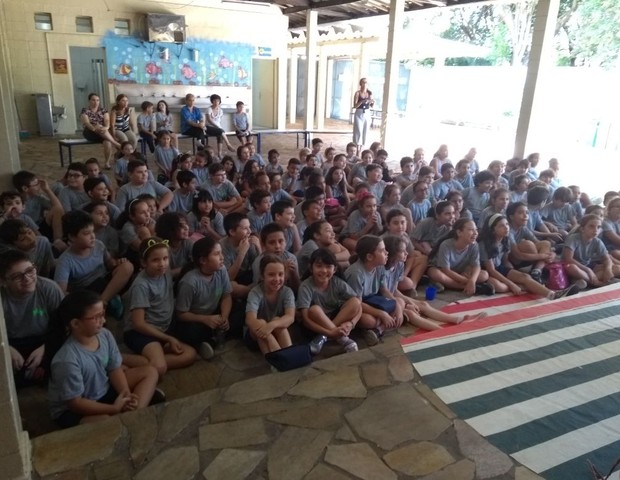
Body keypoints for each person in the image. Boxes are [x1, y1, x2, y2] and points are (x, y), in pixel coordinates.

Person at [46, 290, 159, 428]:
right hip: (73, 410)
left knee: (150, 372)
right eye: (97, 317)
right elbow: (75, 403)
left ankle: (130, 413)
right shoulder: (66, 360)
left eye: (103, 315)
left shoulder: (105, 335)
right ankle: (128, 414)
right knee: (107, 422)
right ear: (76, 323)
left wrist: (126, 394)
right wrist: (113, 409)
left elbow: (114, 368)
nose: (104, 321)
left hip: (102, 389)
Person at [123, 238, 197, 377]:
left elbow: (175, 271)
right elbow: (138, 324)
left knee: (190, 354)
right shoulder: (141, 286)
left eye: (165, 258)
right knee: (160, 368)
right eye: (155, 260)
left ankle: (152, 359)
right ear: (144, 262)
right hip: (142, 332)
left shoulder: (165, 272)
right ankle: (118, 358)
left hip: (164, 327)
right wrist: (168, 339)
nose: (162, 264)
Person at [382, 236, 484, 330]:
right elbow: (384, 292)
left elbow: (395, 290)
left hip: (394, 297)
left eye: (405, 250)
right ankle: (442, 331)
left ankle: (459, 319)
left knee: (422, 304)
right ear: (392, 253)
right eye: (402, 251)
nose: (406, 253)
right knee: (411, 313)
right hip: (384, 301)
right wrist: (402, 305)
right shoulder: (381, 269)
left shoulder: (399, 265)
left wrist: (411, 302)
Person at [0, 250, 63, 386]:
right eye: (17, 276)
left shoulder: (48, 288)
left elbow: (62, 325)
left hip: (44, 339)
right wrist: (6, 348)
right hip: (10, 342)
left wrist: (46, 348)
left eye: (30, 270)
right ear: (3, 281)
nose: (27, 278)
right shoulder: (2, 297)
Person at [479, 214, 579, 299]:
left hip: (499, 268)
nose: (506, 227)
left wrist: (514, 274)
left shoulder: (506, 239)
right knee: (499, 286)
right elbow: (491, 270)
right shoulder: (484, 244)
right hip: (487, 271)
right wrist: (511, 283)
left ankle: (552, 294)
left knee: (525, 277)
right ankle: (523, 286)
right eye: (501, 226)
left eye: (506, 224)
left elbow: (505, 261)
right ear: (492, 230)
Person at [55, 210, 133, 316]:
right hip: (88, 291)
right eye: (86, 233)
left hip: (105, 284)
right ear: (72, 237)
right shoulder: (65, 261)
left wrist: (118, 263)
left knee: (127, 266)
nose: (92, 237)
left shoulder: (99, 245)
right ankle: (108, 301)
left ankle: (103, 301)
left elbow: (110, 264)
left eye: (93, 232)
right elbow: (60, 292)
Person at [175, 236, 233, 359]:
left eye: (221, 253)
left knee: (241, 311)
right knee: (191, 332)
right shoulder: (190, 282)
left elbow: (226, 296)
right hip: (196, 319)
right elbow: (181, 314)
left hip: (214, 314)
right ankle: (206, 342)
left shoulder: (221, 270)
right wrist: (205, 319)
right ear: (203, 260)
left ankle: (212, 338)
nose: (222, 258)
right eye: (217, 254)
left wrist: (225, 316)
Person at [297, 248, 362, 355]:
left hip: (332, 320)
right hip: (314, 326)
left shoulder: (337, 282)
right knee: (314, 310)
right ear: (311, 268)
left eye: (328, 266)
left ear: (335, 269)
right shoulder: (305, 286)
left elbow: (359, 306)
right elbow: (306, 320)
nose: (324, 270)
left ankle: (323, 338)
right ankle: (343, 339)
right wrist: (330, 332)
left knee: (355, 302)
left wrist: (352, 323)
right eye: (319, 266)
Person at [344, 235, 400, 346]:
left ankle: (378, 329)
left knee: (399, 302)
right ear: (369, 257)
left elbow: (384, 290)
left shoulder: (379, 266)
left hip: (373, 300)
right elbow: (357, 303)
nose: (387, 253)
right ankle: (378, 326)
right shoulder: (356, 273)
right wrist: (382, 314)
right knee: (369, 321)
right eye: (382, 251)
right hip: (357, 306)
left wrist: (397, 305)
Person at [245, 254, 295, 357]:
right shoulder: (255, 292)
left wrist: (271, 325)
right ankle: (276, 360)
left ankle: (289, 356)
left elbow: (290, 317)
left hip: (276, 332)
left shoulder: (287, 291)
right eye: (271, 275)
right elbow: (249, 320)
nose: (277, 279)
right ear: (263, 276)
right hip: (255, 335)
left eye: (280, 274)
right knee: (261, 322)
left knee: (277, 320)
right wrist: (267, 332)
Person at [427, 218, 493, 295]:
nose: (475, 233)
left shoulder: (474, 245)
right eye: (471, 230)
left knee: (484, 275)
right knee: (434, 273)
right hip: (444, 272)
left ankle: (450, 285)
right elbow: (446, 270)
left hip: (461, 272)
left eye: (476, 230)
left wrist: (472, 280)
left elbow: (476, 266)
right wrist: (469, 281)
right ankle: (469, 287)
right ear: (459, 232)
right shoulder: (446, 245)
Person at [563, 214, 620, 289]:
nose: (596, 230)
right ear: (582, 229)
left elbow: (606, 258)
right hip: (576, 267)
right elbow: (568, 259)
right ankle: (598, 283)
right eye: (591, 226)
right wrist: (588, 270)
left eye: (598, 227)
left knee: (617, 267)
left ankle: (585, 281)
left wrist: (608, 270)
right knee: (571, 267)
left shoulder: (597, 241)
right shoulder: (573, 238)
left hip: (588, 266)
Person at [505, 202, 555, 283]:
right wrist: (543, 256)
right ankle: (534, 268)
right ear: (511, 217)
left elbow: (538, 243)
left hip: (528, 258)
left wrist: (551, 254)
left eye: (527, 213)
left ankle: (536, 271)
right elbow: (517, 255)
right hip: (513, 261)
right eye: (520, 213)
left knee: (546, 243)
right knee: (528, 244)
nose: (525, 216)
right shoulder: (508, 231)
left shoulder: (523, 228)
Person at [80, 93, 121, 169]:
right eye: (93, 100)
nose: (96, 102)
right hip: (90, 132)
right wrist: (95, 128)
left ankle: (107, 163)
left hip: (103, 132)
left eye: (97, 100)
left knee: (107, 142)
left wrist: (105, 127)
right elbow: (87, 123)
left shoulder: (103, 110)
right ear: (89, 101)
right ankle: (116, 144)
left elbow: (107, 121)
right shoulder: (85, 111)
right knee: (98, 126)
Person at [155, 212, 193, 278]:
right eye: (181, 226)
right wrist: (188, 268)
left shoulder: (188, 243)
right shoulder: (161, 248)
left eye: (186, 224)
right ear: (169, 229)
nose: (187, 228)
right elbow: (165, 275)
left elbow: (197, 264)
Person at [352, 78, 374, 154]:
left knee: (365, 131)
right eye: (363, 82)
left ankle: (361, 149)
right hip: (359, 112)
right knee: (358, 130)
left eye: (366, 82)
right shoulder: (357, 93)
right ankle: (357, 148)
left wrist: (372, 102)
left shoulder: (370, 93)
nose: (365, 84)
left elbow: (371, 105)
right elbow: (355, 106)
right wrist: (362, 101)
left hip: (367, 113)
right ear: (360, 84)